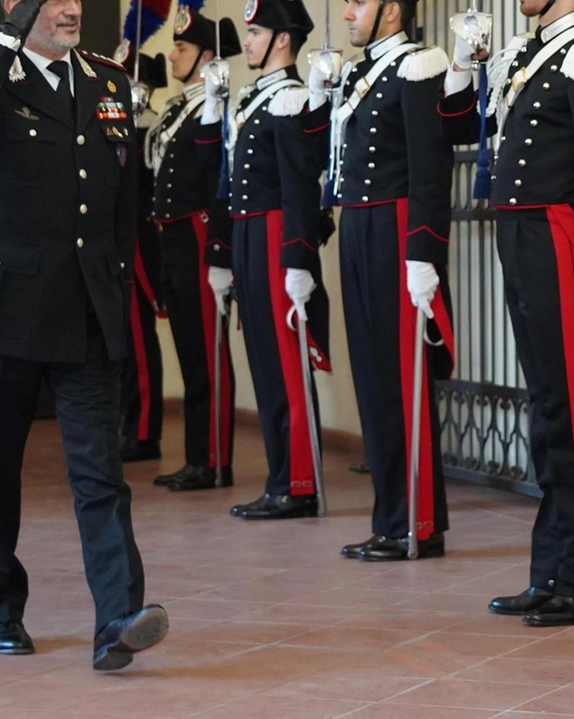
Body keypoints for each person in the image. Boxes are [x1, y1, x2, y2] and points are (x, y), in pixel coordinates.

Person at [0, 0, 168, 671]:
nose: (71, 8)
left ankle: (117, 620)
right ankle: (3, 606)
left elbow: (124, 203)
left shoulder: (107, 81)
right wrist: (7, 36)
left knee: (101, 473)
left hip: (85, 307)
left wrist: (117, 287)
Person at [439, 0, 574, 622]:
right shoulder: (521, 57)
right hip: (521, 239)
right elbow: (452, 126)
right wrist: (462, 68)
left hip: (563, 241)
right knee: (548, 410)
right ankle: (552, 569)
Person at [330, 0, 455, 559]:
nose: (348, 14)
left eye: (358, 3)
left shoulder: (418, 64)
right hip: (358, 223)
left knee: (404, 378)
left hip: (397, 226)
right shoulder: (360, 72)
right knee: (373, 376)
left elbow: (431, 164)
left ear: (391, 10)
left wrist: (424, 250)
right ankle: (390, 515)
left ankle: (419, 522)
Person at [202, 0, 332, 519]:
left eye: (255, 33)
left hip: (279, 234)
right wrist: (225, 254)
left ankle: (299, 482)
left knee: (285, 361)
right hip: (249, 234)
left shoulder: (292, 99)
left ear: (282, 39)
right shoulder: (256, 99)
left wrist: (298, 257)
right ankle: (280, 476)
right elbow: (221, 178)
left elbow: (302, 188)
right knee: (263, 359)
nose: (247, 42)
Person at [146, 8, 242, 491]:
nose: (172, 54)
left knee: (207, 350)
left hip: (199, 234)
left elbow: (218, 183)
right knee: (188, 347)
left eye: (181, 48)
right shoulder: (180, 106)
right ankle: (195, 456)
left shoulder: (215, 104)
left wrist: (220, 250)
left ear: (207, 55)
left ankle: (212, 459)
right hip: (172, 238)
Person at [120, 52, 169, 465]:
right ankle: (125, 423)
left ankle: (144, 431)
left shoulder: (150, 127)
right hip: (115, 243)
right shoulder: (118, 125)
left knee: (139, 341)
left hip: (141, 244)